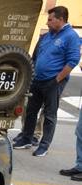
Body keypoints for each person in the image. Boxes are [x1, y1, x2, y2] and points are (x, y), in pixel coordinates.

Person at [13, 6, 80, 157]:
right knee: (31, 111)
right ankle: (26, 139)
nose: (47, 23)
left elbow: (73, 61)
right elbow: (37, 57)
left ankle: (44, 145)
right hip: (37, 80)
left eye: (50, 20)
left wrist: (57, 80)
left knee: (49, 115)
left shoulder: (71, 36)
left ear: (61, 19)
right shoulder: (47, 35)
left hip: (53, 82)